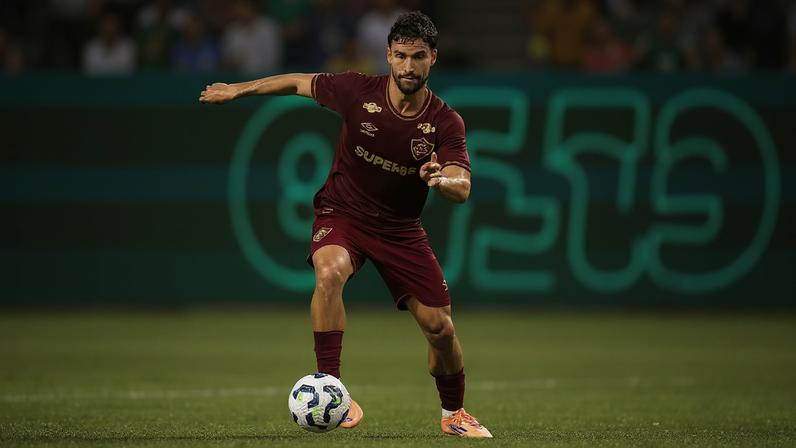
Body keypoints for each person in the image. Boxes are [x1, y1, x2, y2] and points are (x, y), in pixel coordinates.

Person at [199, 11, 492, 438]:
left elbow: (461, 187)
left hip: (401, 229)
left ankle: (454, 413)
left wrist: (439, 178)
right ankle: (330, 387)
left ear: (434, 59)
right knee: (330, 271)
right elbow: (298, 82)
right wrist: (239, 89)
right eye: (401, 56)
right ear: (388, 56)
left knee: (440, 329)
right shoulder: (357, 90)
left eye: (419, 57)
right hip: (343, 213)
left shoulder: (446, 122)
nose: (409, 66)